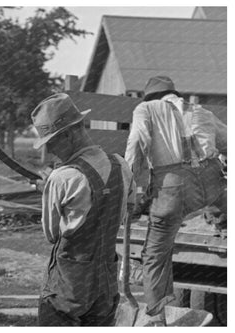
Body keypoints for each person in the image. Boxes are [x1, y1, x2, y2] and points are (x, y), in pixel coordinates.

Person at [125, 76, 227, 326]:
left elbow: (137, 143)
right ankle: (221, 219)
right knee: (223, 205)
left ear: (149, 97)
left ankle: (157, 318)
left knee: (156, 254)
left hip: (174, 188)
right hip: (212, 181)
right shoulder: (199, 110)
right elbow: (227, 143)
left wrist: (129, 192)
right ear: (174, 93)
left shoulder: (145, 109)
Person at [31, 93, 136, 326]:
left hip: (70, 285)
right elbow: (127, 210)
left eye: (50, 142)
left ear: (67, 134)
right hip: (106, 285)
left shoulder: (62, 178)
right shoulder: (121, 165)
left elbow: (52, 235)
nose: (48, 152)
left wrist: (50, 193)